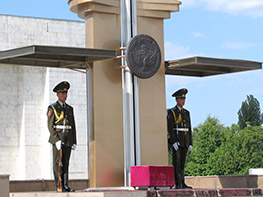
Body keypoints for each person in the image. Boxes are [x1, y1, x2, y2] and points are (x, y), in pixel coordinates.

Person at [47, 81, 77, 192]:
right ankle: (59, 186)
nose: (65, 96)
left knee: (66, 162)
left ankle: (65, 185)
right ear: (57, 94)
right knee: (58, 163)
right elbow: (50, 126)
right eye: (62, 93)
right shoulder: (52, 108)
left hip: (68, 138)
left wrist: (74, 140)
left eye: (66, 93)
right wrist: (56, 140)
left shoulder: (69, 108)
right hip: (58, 138)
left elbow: (73, 125)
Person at [167, 88, 193, 189]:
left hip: (185, 140)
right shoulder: (172, 112)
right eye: (181, 99)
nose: (183, 101)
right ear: (176, 100)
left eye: (184, 99)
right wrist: (173, 141)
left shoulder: (186, 112)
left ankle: (183, 182)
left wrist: (190, 142)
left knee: (182, 162)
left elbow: (189, 128)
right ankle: (177, 183)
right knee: (176, 162)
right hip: (177, 140)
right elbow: (170, 128)